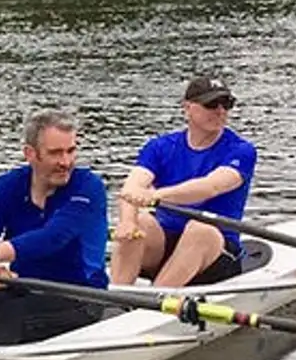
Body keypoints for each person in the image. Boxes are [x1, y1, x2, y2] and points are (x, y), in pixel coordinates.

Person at [0, 109, 110, 345]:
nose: (66, 162)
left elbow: (53, 238)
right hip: (23, 286)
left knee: (11, 317)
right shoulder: (9, 185)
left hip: (81, 296)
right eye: (55, 153)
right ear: (30, 154)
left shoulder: (89, 188)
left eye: (71, 151)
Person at [109, 76, 259, 287]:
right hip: (166, 246)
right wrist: (127, 221)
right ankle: (117, 295)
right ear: (187, 108)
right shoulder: (160, 146)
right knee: (140, 222)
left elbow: (210, 187)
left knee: (200, 230)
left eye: (226, 104)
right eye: (211, 104)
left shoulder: (241, 151)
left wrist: (156, 196)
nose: (220, 111)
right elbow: (132, 188)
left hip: (216, 252)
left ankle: (155, 304)